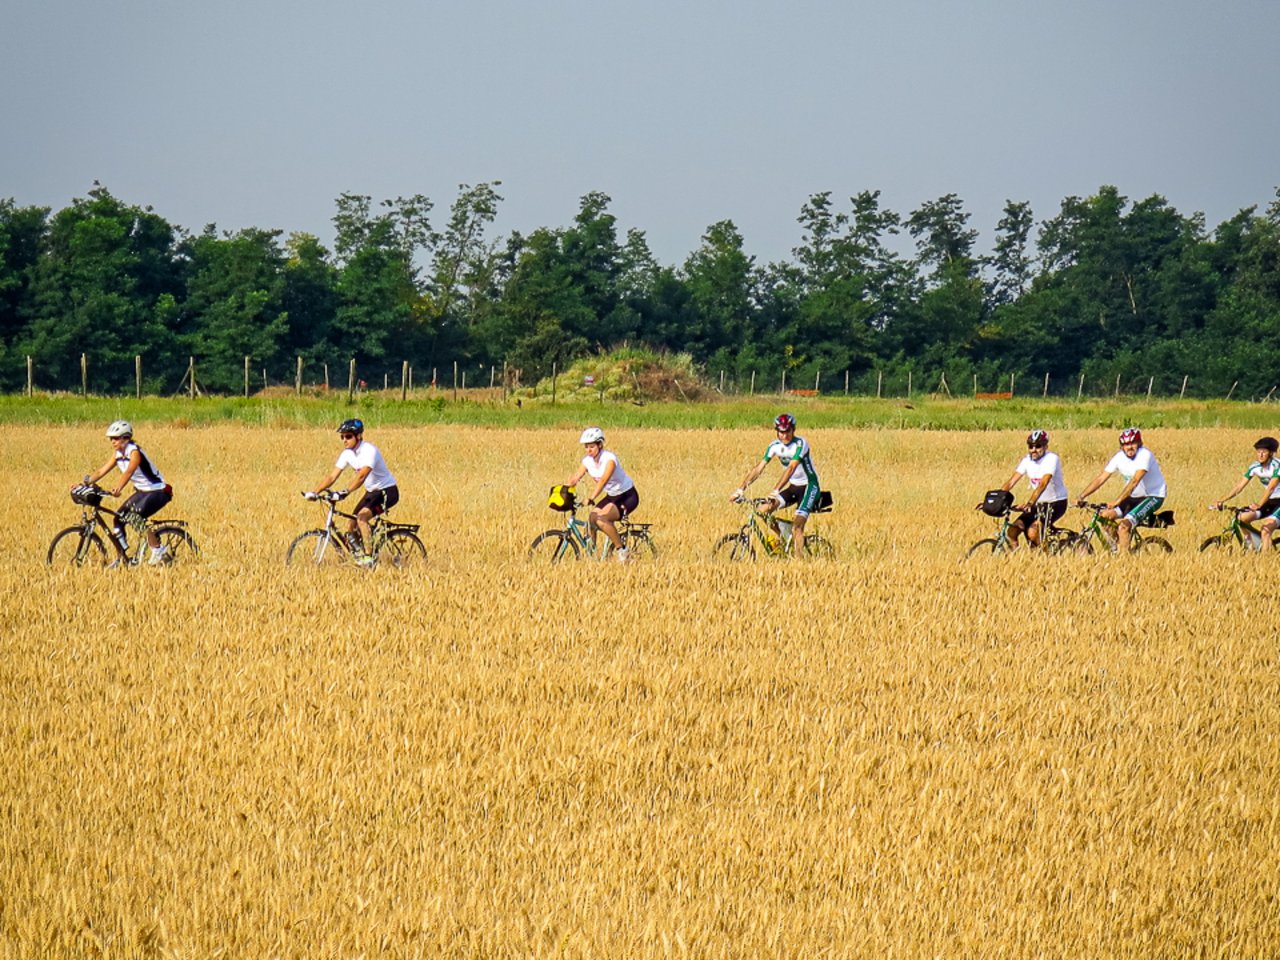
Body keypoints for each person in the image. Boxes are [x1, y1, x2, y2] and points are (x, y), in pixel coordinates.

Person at [76, 420, 174, 565]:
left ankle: (157, 549)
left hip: (157, 491)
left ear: (125, 438)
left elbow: (129, 472)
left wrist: (118, 488)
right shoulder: (117, 454)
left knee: (135, 517)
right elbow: (101, 471)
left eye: (115, 438)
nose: (112, 441)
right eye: (111, 439)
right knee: (118, 518)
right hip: (142, 491)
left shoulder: (134, 452)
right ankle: (122, 557)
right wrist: (84, 483)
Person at [307, 419, 399, 566]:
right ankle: (360, 553)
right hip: (372, 492)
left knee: (362, 518)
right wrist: (315, 492)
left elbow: (362, 475)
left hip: (387, 491)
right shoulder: (347, 454)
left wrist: (345, 492)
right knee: (351, 524)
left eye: (348, 436)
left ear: (358, 436)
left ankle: (368, 558)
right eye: (342, 437)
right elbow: (332, 476)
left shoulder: (369, 451)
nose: (344, 440)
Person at [730, 413, 822, 556]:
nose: (784, 435)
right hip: (793, 487)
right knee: (762, 510)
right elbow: (759, 469)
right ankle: (784, 536)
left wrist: (776, 490)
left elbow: (791, 468)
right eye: (781, 432)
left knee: (798, 527)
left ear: (793, 430)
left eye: (787, 431)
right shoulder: (774, 446)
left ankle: (800, 562)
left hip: (809, 486)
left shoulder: (801, 443)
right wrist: (740, 489)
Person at [1074, 427, 1168, 552]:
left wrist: (1117, 501)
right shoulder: (1119, 458)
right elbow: (1101, 478)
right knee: (1104, 516)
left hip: (1153, 496)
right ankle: (1119, 546)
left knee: (1124, 526)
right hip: (1133, 497)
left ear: (1139, 444)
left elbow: (1135, 481)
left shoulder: (1145, 455)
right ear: (1121, 446)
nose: (1129, 447)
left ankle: (1125, 561)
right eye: (1126, 444)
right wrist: (1081, 496)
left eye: (1132, 443)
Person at [985, 429, 1069, 549]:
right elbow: (1011, 482)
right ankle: (1016, 560)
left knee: (1033, 532)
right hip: (1038, 504)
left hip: (1056, 503)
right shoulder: (1027, 461)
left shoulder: (1051, 459)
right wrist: (995, 502)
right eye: (1030, 446)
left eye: (1038, 446)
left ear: (1045, 446)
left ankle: (1047, 560)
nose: (1033, 450)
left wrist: (1030, 503)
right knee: (1012, 532)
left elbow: (1043, 483)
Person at [566, 427, 639, 563]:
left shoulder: (609, 459)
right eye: (586, 447)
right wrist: (563, 490)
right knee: (591, 518)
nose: (589, 450)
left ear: (600, 445)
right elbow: (576, 477)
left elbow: (604, 481)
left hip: (627, 496)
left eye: (592, 446)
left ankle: (622, 551)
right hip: (612, 496)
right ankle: (592, 554)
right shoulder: (587, 461)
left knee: (601, 519)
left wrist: (591, 498)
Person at [1210, 436, 1280, 549]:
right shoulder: (1255, 467)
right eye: (1258, 452)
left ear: (1271, 453)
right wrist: (1222, 500)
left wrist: (1259, 505)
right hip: (1271, 501)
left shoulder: (1277, 465)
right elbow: (1239, 486)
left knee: (1266, 529)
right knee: (1241, 518)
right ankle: (1253, 545)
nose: (1260, 455)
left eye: (1264, 452)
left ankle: (1265, 561)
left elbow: (1271, 488)